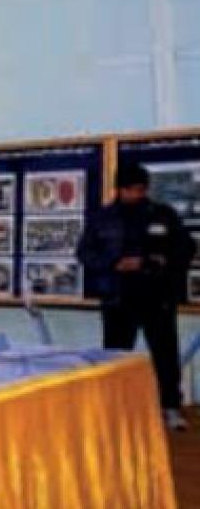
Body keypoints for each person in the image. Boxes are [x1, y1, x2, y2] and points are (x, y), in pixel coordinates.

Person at [77, 163, 195, 431]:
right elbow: (85, 253)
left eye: (142, 189)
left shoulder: (163, 214)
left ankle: (170, 407)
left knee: (165, 355)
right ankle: (116, 409)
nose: (138, 194)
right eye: (132, 189)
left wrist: (157, 261)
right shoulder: (101, 217)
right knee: (115, 357)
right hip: (117, 298)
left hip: (157, 296)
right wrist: (114, 263)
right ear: (119, 189)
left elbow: (185, 248)